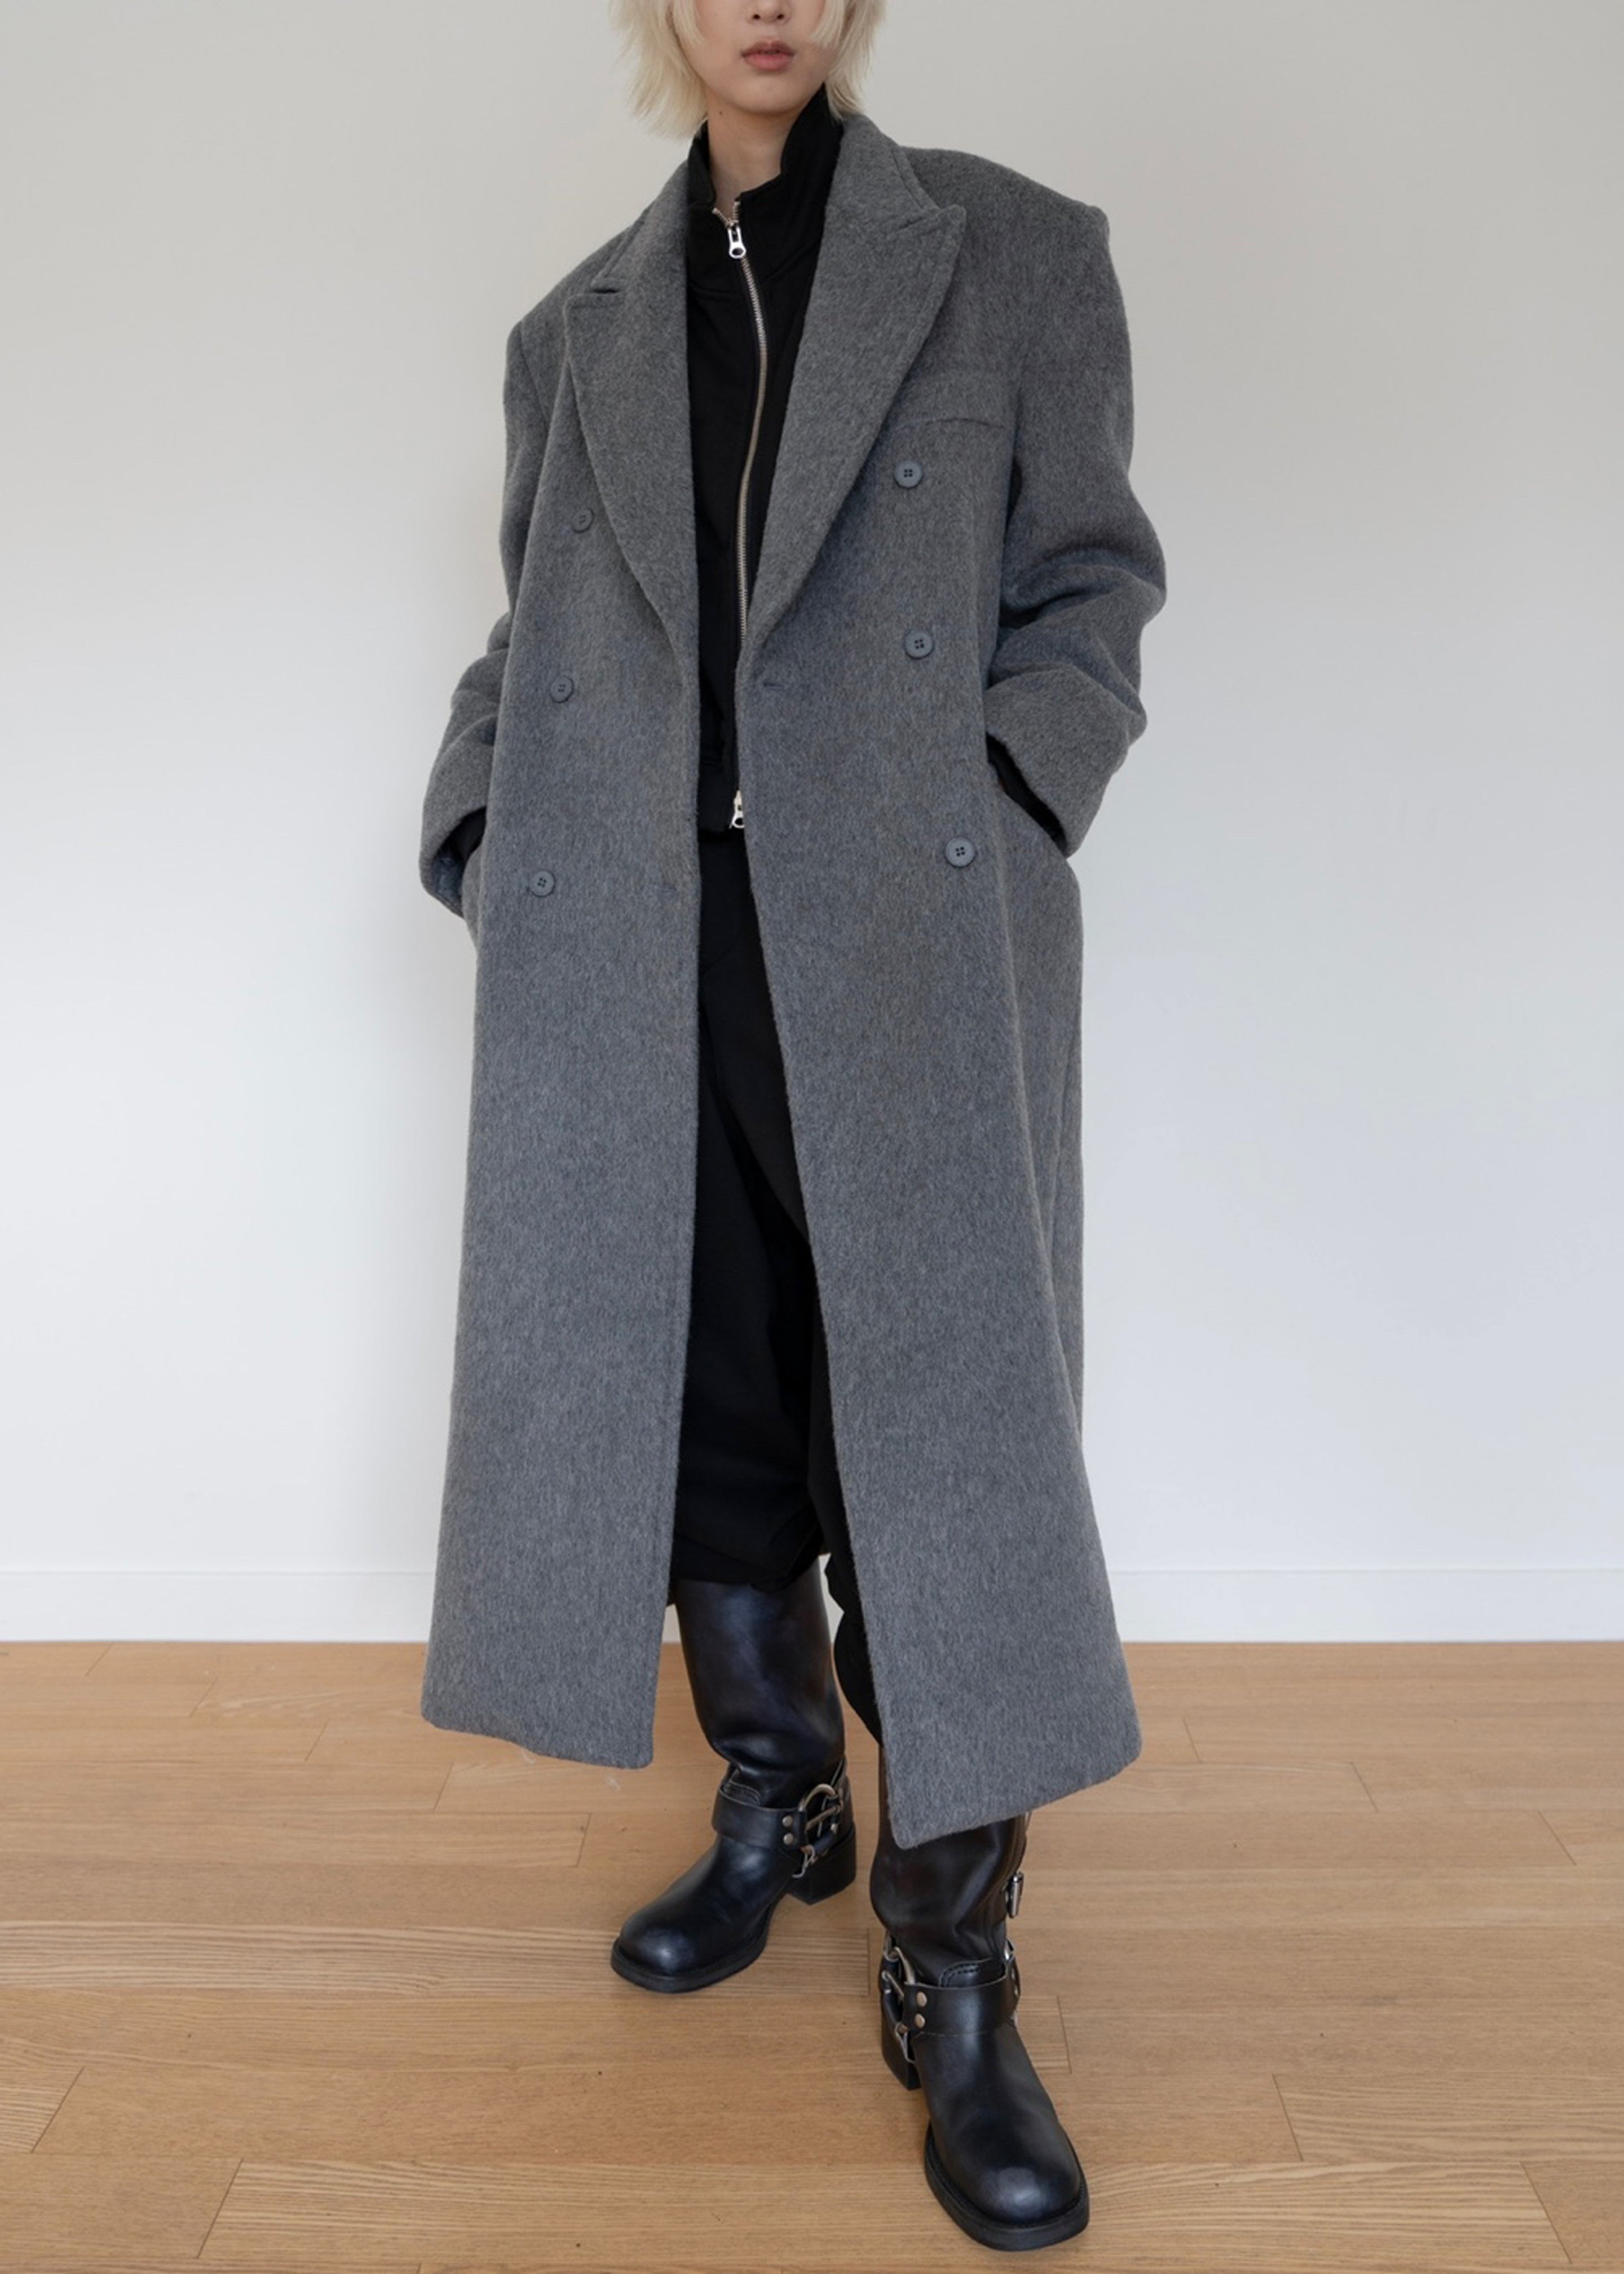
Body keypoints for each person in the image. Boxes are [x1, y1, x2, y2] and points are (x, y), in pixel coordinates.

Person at [418, 0, 1166, 2250]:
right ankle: (780, 1796)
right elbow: (532, 628)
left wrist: (1012, 795)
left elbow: (1091, 584)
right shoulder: (575, 334)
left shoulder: (1009, 252)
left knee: (936, 1448)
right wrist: (484, 825)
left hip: (910, 954)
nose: (774, 0)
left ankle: (957, 1958)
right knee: (705, 1412)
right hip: (637, 960)